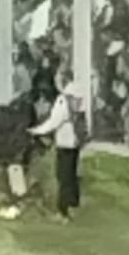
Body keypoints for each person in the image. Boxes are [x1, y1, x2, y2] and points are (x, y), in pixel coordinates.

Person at [29, 79, 87, 220]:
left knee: (63, 177)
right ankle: (73, 204)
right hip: (75, 144)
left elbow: (53, 123)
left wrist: (35, 131)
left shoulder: (62, 102)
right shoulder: (79, 102)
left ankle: (63, 210)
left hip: (65, 145)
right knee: (72, 177)